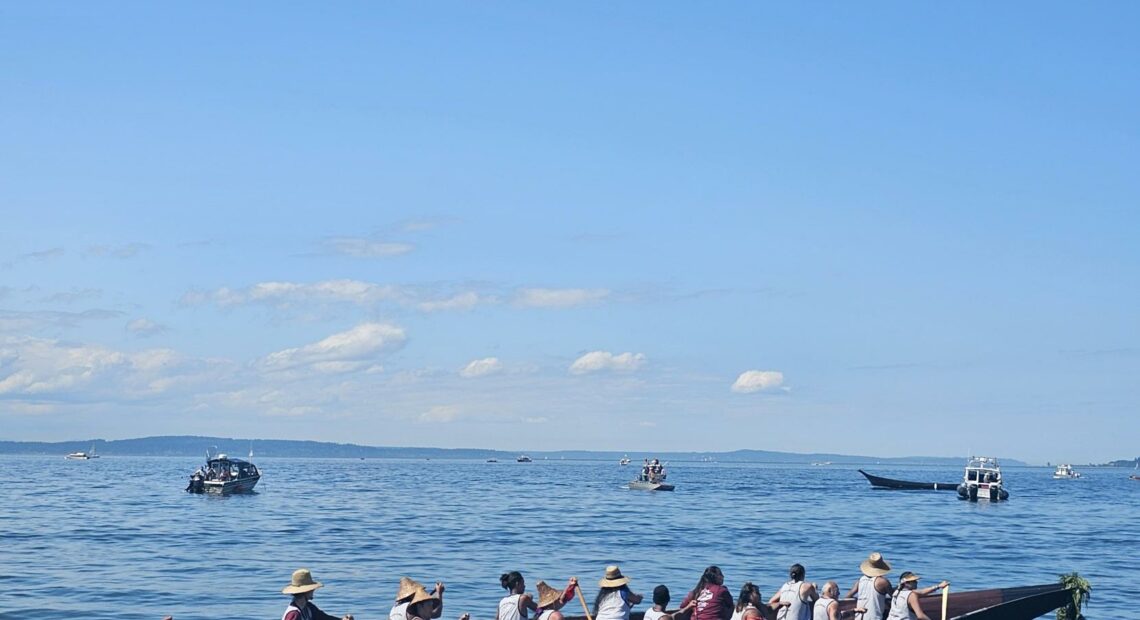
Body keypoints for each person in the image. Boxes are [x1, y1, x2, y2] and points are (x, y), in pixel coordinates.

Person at [280, 568, 354, 620]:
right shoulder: (293, 614)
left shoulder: (308, 607)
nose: (314, 590)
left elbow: (324, 618)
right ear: (306, 591)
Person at [845, 552, 892, 620]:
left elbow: (848, 596)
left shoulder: (860, 581)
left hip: (859, 617)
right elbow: (895, 597)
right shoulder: (883, 582)